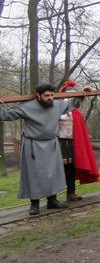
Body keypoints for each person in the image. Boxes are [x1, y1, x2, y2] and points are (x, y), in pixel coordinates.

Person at [0, 83, 91, 215]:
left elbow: (73, 103)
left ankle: (52, 201)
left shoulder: (57, 105)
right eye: (46, 95)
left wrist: (82, 93)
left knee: (52, 173)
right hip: (32, 145)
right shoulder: (26, 107)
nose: (50, 98)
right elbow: (6, 115)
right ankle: (34, 204)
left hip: (51, 144)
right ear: (38, 95)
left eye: (52, 95)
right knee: (33, 174)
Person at [57, 81, 99, 201]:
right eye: (66, 96)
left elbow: (77, 101)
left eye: (71, 96)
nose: (68, 99)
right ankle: (52, 197)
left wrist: (84, 92)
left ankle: (71, 193)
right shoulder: (56, 110)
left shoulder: (75, 112)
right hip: (58, 144)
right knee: (58, 169)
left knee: (71, 168)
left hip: (72, 144)